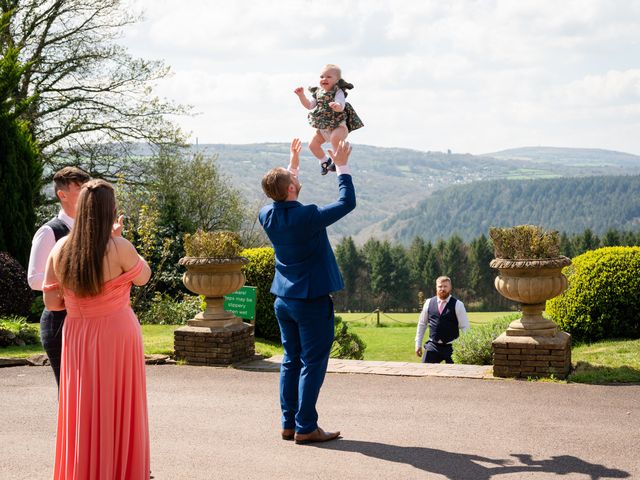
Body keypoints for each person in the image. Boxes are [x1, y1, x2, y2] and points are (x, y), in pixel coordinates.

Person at [43, 179, 152, 479]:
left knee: (83, 405)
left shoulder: (61, 248)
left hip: (78, 334)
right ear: (109, 211)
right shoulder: (119, 247)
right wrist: (117, 239)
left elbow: (52, 302)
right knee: (118, 406)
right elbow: (144, 276)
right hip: (117, 334)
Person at [259, 138, 356, 444]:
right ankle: (306, 426)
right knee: (312, 362)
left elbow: (283, 195)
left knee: (291, 360)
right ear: (290, 189)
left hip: (283, 300)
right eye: (294, 180)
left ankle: (289, 424)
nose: (297, 179)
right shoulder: (308, 215)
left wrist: (293, 163)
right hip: (311, 300)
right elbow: (346, 203)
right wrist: (341, 165)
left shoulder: (267, 214)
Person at [27, 166, 91, 387]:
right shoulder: (49, 232)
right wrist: (76, 282)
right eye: (80, 189)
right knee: (69, 390)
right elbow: (35, 278)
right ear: (62, 195)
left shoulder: (92, 230)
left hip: (88, 320)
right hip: (59, 319)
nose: (86, 194)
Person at [294, 64, 363, 175]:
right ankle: (325, 161)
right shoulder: (318, 92)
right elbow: (309, 106)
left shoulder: (338, 91)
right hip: (323, 127)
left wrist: (337, 106)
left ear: (337, 80)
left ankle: (337, 161)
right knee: (312, 145)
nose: (324, 79)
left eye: (328, 77)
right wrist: (301, 96)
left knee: (335, 138)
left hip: (338, 125)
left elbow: (341, 103)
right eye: (322, 77)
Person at [415, 276, 470, 364]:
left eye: (445, 286)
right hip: (433, 345)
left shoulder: (458, 305)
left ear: (450, 287)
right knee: (424, 371)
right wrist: (418, 344)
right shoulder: (428, 303)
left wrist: (467, 347)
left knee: (456, 374)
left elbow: (464, 327)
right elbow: (422, 324)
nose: (442, 289)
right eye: (440, 286)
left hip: (453, 347)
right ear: (436, 287)